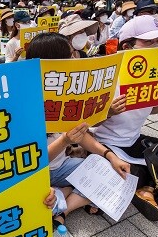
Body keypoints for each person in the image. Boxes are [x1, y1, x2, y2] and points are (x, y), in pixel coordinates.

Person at [93, 15, 158, 221]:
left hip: (133, 140)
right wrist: (109, 112)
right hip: (105, 144)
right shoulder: (107, 74)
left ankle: (145, 188)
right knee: (135, 169)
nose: (156, 46)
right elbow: (87, 123)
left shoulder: (152, 75)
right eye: (148, 42)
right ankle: (146, 189)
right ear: (128, 45)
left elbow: (153, 110)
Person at [26, 32, 131, 226]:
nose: (75, 59)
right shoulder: (27, 102)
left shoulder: (65, 92)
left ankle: (63, 209)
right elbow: (34, 161)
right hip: (35, 175)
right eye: (70, 55)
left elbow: (81, 134)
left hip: (61, 167)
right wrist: (65, 140)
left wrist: (110, 156)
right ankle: (63, 194)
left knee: (114, 173)